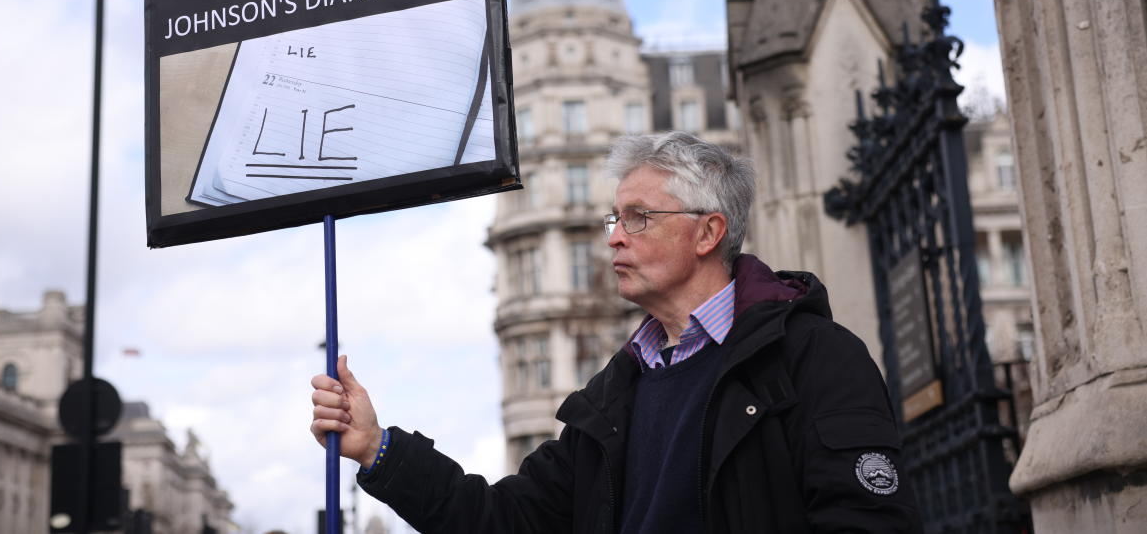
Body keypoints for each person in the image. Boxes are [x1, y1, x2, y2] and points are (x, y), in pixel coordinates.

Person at [310, 131, 921, 532]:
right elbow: (504, 521)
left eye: (640, 218)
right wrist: (379, 448)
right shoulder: (615, 395)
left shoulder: (816, 359)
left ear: (708, 233)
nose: (614, 236)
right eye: (615, 217)